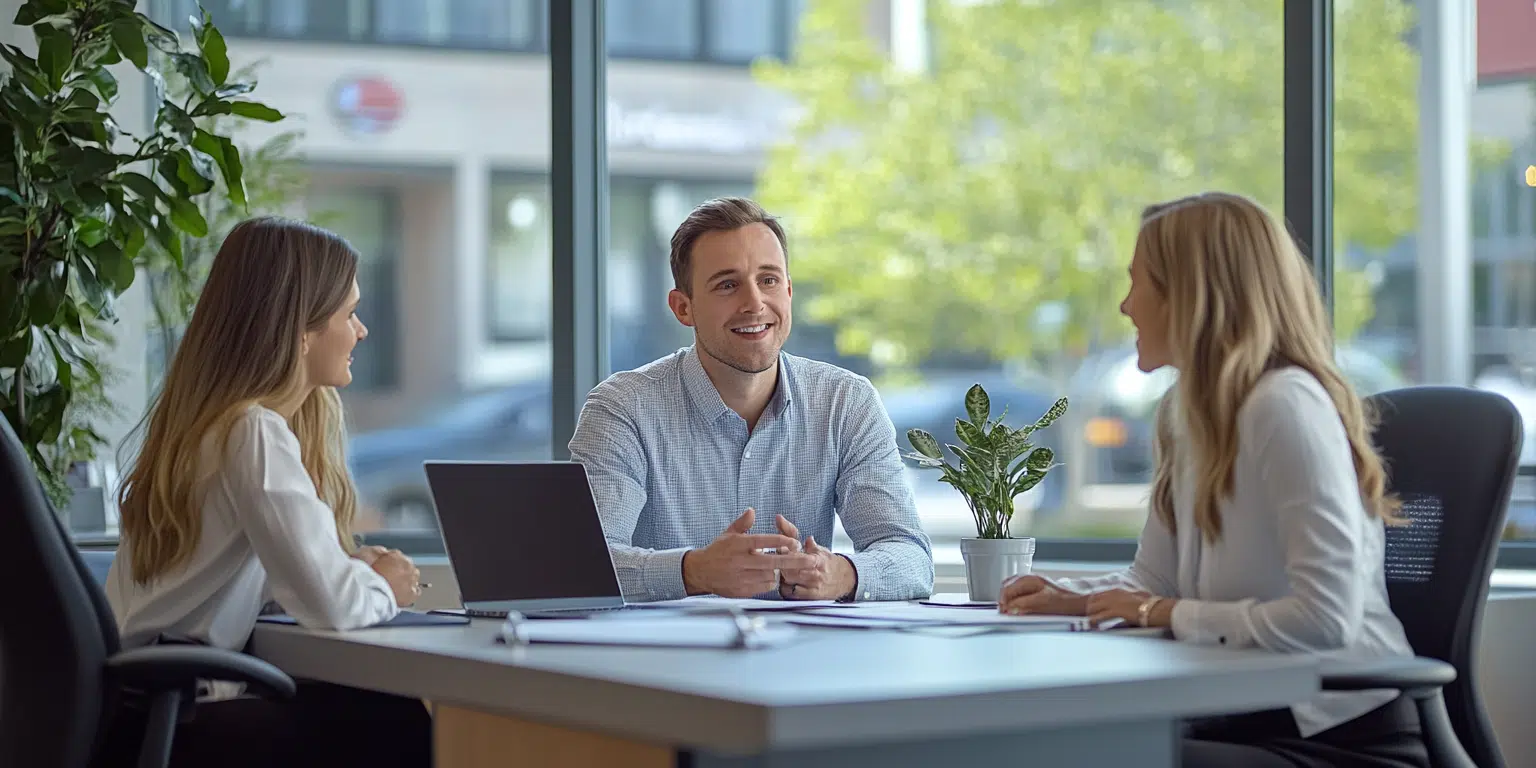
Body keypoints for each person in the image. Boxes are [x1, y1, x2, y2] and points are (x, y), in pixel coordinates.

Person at [998, 192, 1429, 767]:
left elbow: (1324, 619)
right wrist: (1065, 596)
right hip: (1241, 718)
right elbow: (1153, 580)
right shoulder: (1186, 411)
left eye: (1138, 282)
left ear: (1191, 294)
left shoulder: (1284, 405)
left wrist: (1157, 613)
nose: (1126, 306)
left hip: (1338, 740)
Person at [102, 217, 431, 767]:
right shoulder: (252, 431)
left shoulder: (208, 429)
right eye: (349, 314)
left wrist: (346, 567)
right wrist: (382, 587)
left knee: (370, 710)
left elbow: (266, 585)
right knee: (393, 721)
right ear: (302, 329)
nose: (361, 331)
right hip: (170, 719)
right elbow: (334, 606)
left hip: (132, 716)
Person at [569, 196, 933, 603]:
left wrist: (840, 574)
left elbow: (911, 558)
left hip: (803, 658)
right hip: (661, 662)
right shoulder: (622, 409)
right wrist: (693, 571)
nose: (755, 303)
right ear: (683, 308)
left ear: (789, 291)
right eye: (727, 284)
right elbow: (580, 566)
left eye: (769, 280)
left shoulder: (846, 402)